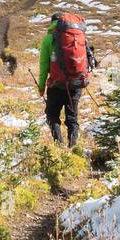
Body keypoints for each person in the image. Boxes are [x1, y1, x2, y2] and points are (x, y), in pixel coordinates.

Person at [37, 13, 96, 148]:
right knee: (72, 118)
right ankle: (73, 148)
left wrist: (41, 87)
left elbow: (44, 66)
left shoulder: (48, 39)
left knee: (52, 115)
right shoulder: (79, 36)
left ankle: (59, 146)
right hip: (76, 84)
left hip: (56, 85)